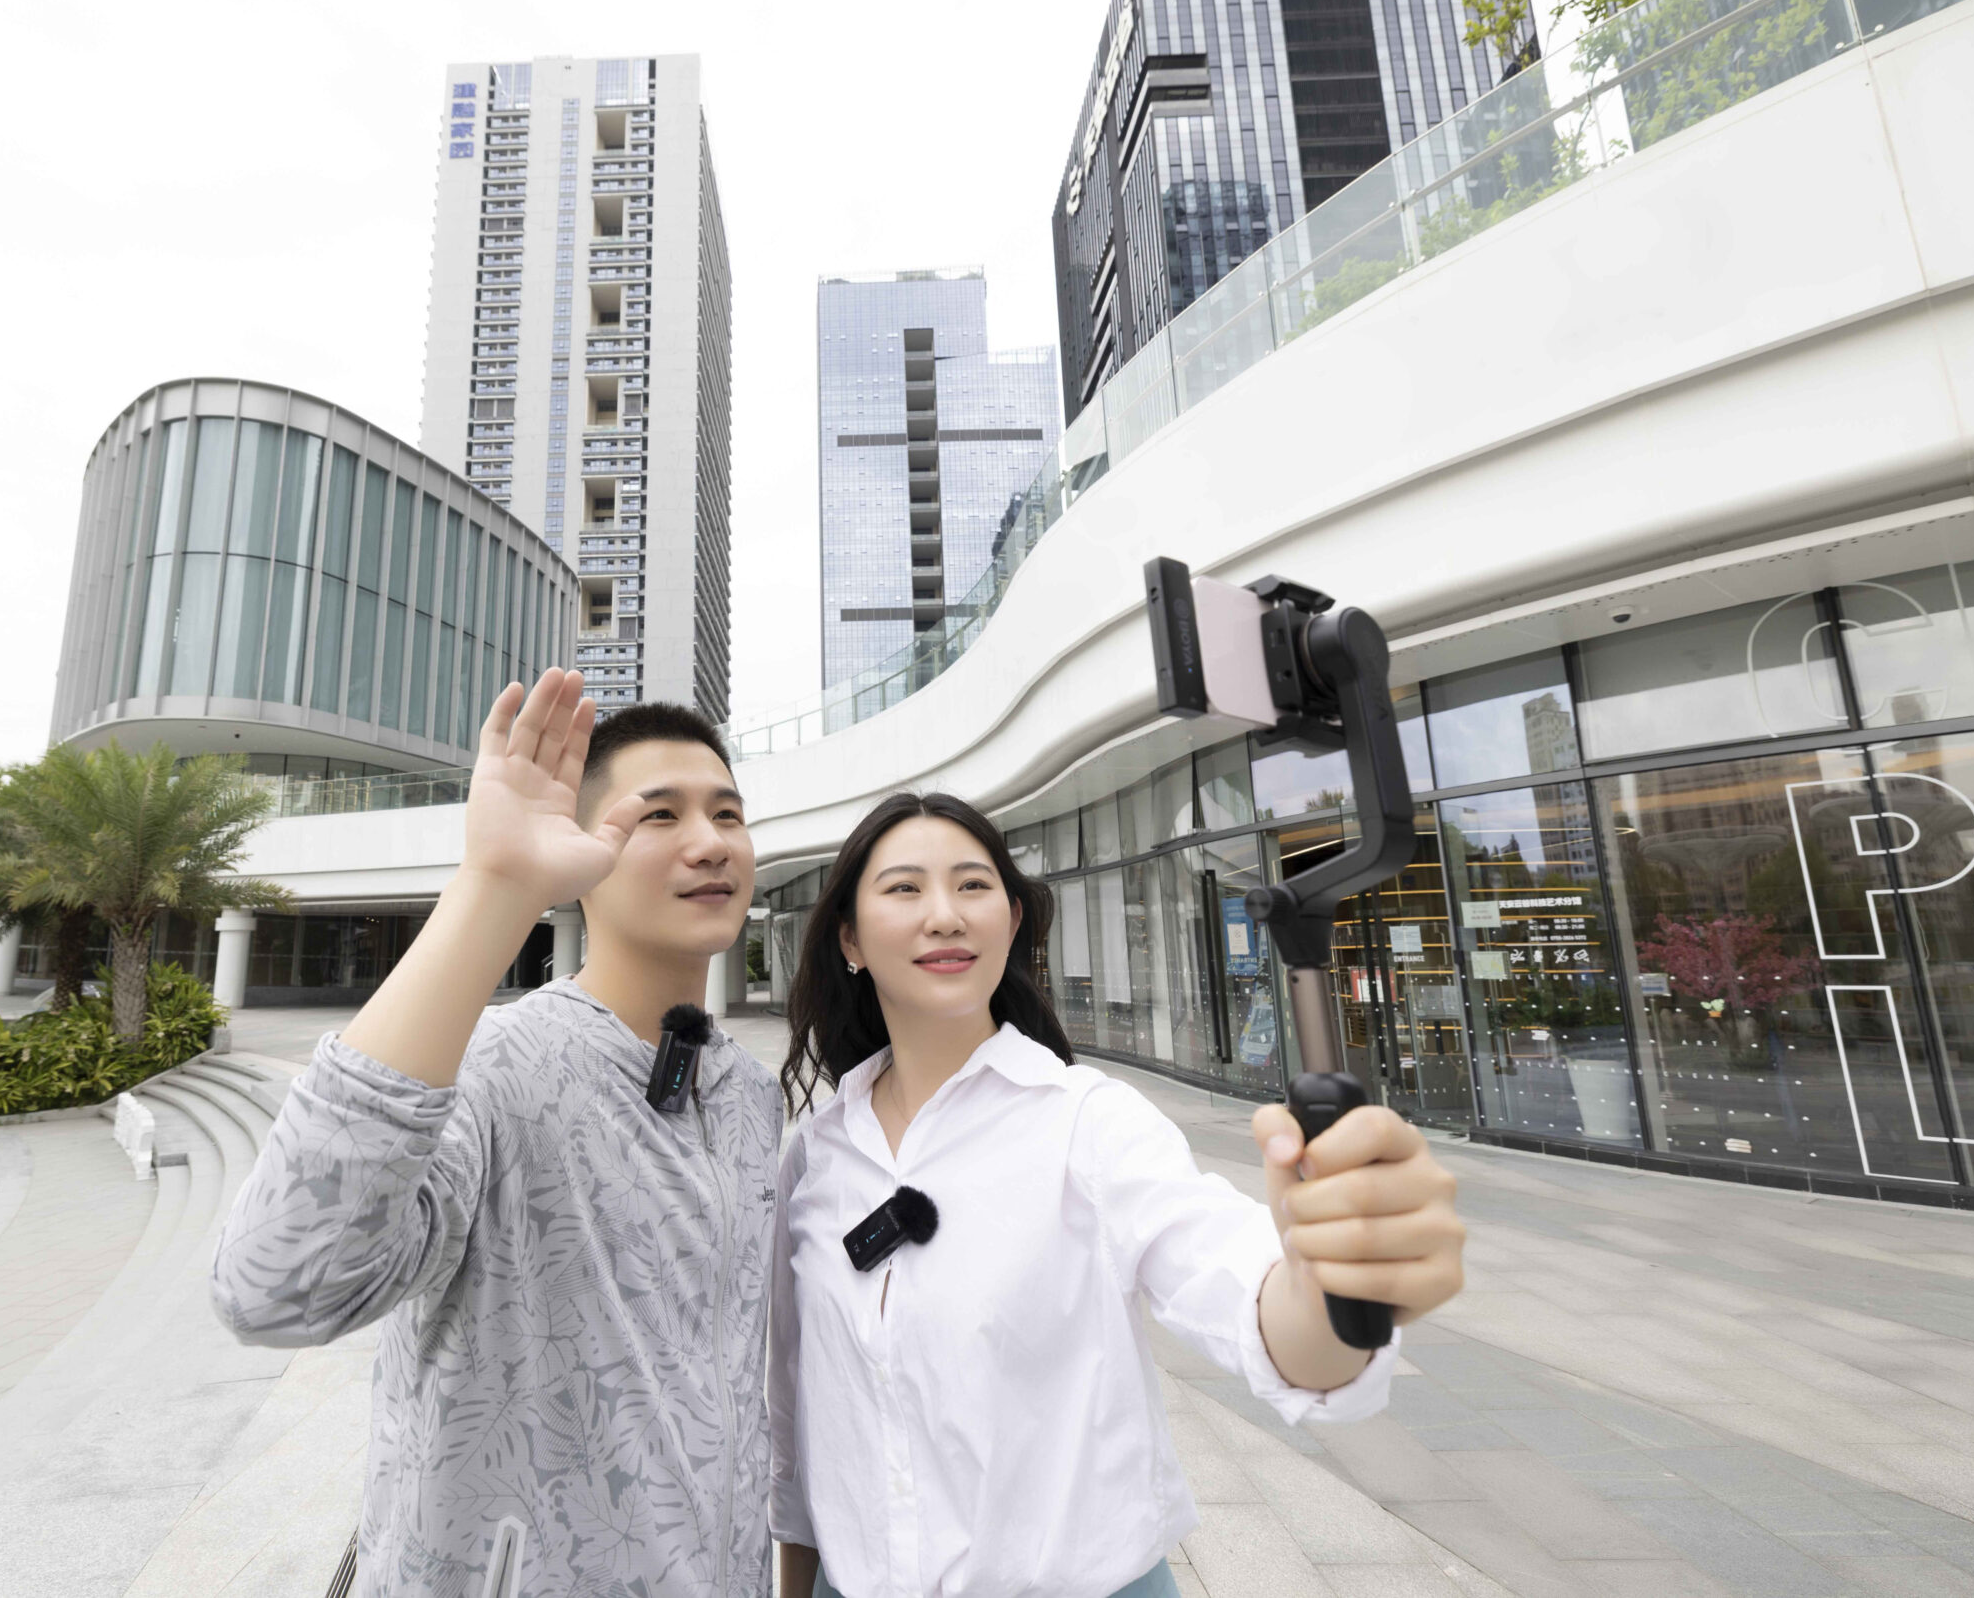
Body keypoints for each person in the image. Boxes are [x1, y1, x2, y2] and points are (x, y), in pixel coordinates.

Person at [768, 792, 1467, 1598]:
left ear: (1012, 921)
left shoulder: (1088, 1123)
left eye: (972, 885)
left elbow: (1239, 1284)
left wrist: (1330, 1281)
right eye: (903, 889)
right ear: (850, 938)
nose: (945, 916)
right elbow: (799, 1414)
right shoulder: (819, 1155)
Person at [211, 669, 784, 1596]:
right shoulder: (485, 1067)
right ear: (584, 848)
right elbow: (275, 1286)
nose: (711, 842)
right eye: (660, 815)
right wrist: (493, 885)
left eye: (728, 814)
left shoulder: (749, 1097)